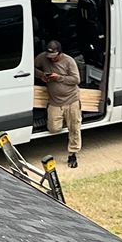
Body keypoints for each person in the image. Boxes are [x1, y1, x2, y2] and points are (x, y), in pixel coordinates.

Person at [35, 37, 82, 168]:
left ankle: (72, 154)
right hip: (55, 101)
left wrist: (59, 78)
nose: (51, 59)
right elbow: (31, 68)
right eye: (49, 56)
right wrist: (41, 75)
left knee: (74, 128)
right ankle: (65, 119)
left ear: (60, 53)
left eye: (54, 57)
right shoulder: (43, 57)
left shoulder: (69, 61)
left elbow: (76, 79)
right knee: (54, 128)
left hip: (71, 99)